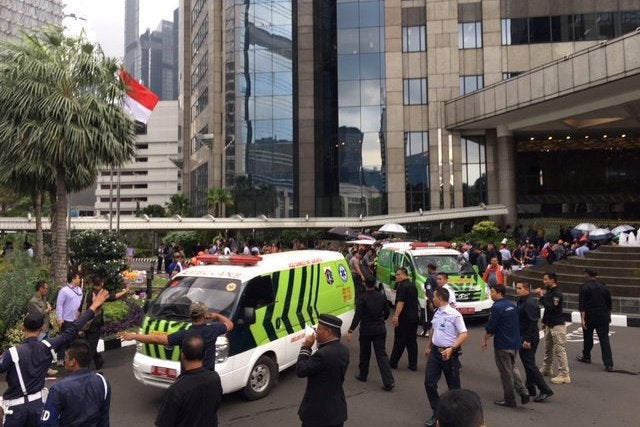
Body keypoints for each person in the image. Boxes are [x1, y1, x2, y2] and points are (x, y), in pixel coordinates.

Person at [0, 289, 108, 427]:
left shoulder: (12, 353)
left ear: (22, 327)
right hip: (38, 408)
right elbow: (72, 330)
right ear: (41, 329)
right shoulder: (47, 347)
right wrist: (93, 307)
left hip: (15, 413)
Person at [118, 302, 233, 371]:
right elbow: (229, 324)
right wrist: (216, 316)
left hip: (188, 378)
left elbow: (156, 339)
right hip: (208, 378)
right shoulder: (212, 330)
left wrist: (133, 336)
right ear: (204, 315)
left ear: (190, 315)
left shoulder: (183, 335)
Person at [424, 288, 469, 427]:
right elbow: (433, 330)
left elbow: (464, 334)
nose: (433, 299)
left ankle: (458, 418)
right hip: (436, 354)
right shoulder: (437, 312)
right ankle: (437, 413)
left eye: (434, 297)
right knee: (429, 383)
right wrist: (429, 347)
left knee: (454, 389)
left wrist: (452, 348)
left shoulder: (454, 315)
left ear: (441, 298)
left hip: (450, 355)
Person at [155, 335, 222, 427]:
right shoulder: (214, 378)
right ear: (205, 354)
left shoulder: (176, 390)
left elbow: (164, 423)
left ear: (183, 356)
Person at [40, 340, 111, 427]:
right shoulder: (102, 382)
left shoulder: (59, 388)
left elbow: (47, 424)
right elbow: (104, 419)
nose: (65, 361)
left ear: (73, 361)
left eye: (66, 357)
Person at [296, 314, 349, 427]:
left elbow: (300, 370)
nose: (316, 332)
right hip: (337, 411)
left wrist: (306, 347)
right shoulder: (344, 350)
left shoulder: (322, 354)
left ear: (328, 332)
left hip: (319, 415)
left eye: (318, 329)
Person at [481, 284, 529, 408]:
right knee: (512, 367)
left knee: (505, 372)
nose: (490, 294)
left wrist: (485, 339)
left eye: (492, 292)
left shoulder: (497, 307)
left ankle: (509, 399)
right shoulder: (511, 305)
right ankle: (523, 390)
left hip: (503, 344)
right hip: (514, 343)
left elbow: (491, 326)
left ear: (499, 293)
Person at [347, 277, 394, 391]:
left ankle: (363, 375)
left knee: (364, 353)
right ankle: (388, 381)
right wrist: (381, 319)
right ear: (374, 284)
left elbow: (357, 316)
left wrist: (351, 329)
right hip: (379, 328)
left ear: (365, 284)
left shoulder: (362, 298)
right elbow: (387, 312)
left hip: (366, 329)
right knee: (382, 355)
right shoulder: (382, 296)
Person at [80, 278, 130, 370]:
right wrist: (125, 291)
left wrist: (78, 322)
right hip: (95, 323)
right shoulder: (101, 294)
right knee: (91, 346)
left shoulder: (87, 293)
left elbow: (80, 308)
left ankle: (98, 361)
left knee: (89, 344)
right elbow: (114, 296)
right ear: (102, 283)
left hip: (85, 322)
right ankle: (85, 367)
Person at [515, 282, 553, 402]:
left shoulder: (529, 303)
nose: (517, 290)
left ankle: (545, 389)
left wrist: (527, 340)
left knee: (530, 364)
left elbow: (532, 323)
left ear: (527, 289)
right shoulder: (521, 301)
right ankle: (530, 387)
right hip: (523, 335)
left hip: (529, 337)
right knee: (527, 362)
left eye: (519, 288)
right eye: (516, 288)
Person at [576, 269, 613, 371]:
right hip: (603, 316)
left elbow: (582, 305)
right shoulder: (603, 287)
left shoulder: (584, 287)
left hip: (590, 316)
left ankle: (587, 356)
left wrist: (582, 319)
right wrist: (609, 316)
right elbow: (609, 304)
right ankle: (608, 364)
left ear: (587, 275)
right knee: (604, 340)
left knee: (588, 337)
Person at [537, 272, 570, 384]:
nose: (544, 281)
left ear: (552, 280)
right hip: (550, 324)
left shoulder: (557, 293)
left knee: (559, 349)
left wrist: (541, 296)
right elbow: (547, 310)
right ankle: (547, 368)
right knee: (548, 348)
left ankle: (564, 374)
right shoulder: (550, 291)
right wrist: (544, 321)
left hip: (558, 325)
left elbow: (551, 307)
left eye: (546, 279)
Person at [389, 267, 419, 371]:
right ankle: (413, 364)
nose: (396, 276)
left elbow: (401, 302)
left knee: (399, 341)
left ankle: (393, 363)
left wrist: (396, 316)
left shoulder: (402, 287)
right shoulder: (412, 286)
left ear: (404, 274)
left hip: (404, 318)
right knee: (412, 341)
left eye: (398, 274)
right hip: (414, 317)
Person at [27, 281, 57, 376]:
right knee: (37, 350)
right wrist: (48, 309)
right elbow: (38, 314)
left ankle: (45, 369)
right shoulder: (33, 302)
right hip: (39, 330)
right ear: (41, 289)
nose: (47, 290)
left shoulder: (43, 299)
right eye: (46, 288)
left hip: (46, 328)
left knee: (45, 350)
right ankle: (36, 369)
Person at [55, 271, 84, 366]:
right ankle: (60, 359)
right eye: (78, 278)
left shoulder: (79, 290)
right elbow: (59, 305)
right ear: (73, 279)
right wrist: (59, 318)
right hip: (66, 320)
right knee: (64, 340)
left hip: (77, 320)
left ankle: (73, 359)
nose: (80, 279)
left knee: (75, 340)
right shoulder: (64, 290)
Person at [419, 264, 438, 337]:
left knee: (428, 316)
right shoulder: (438, 277)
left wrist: (430, 302)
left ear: (430, 268)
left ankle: (426, 331)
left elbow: (429, 290)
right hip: (438, 300)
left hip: (431, 300)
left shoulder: (429, 278)